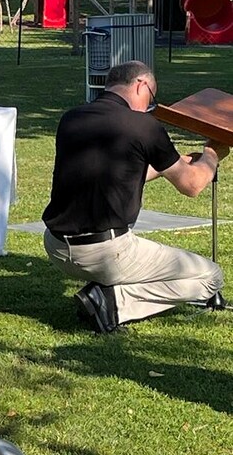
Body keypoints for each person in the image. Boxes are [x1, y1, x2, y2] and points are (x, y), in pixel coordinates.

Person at [42, 60, 228, 333]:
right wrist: (212, 154)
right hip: (107, 253)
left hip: (56, 247)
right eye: (151, 99)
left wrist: (175, 163)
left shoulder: (72, 118)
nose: (149, 107)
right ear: (141, 85)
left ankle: (106, 292)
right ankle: (114, 301)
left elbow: (121, 171)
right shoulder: (143, 125)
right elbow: (192, 185)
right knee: (210, 276)